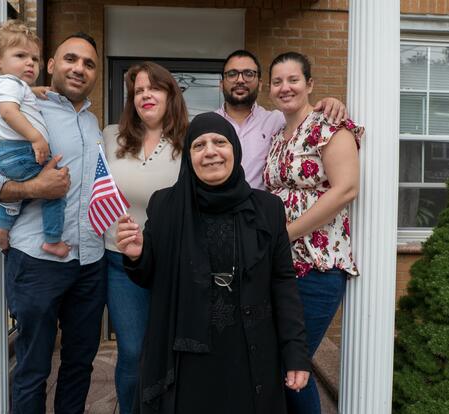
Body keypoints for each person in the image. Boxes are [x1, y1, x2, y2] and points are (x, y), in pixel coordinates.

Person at [115, 112, 311, 414]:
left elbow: (282, 282)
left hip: (249, 353)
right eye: (199, 145)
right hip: (186, 358)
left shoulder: (268, 208)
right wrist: (137, 255)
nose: (210, 151)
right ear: (188, 157)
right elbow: (149, 276)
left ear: (234, 148)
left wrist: (295, 354)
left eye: (219, 142)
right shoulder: (165, 205)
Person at [0, 32, 106, 414]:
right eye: (70, 59)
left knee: (80, 364)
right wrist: (36, 186)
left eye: (88, 63)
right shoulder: (25, 107)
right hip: (36, 261)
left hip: (90, 262)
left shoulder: (94, 122)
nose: (78, 68)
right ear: (51, 65)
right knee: (33, 368)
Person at [263, 52, 364, 414]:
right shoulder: (277, 136)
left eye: (293, 80)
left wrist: (284, 234)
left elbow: (345, 189)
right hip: (279, 266)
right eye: (277, 81)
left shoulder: (330, 127)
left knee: (293, 364)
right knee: (279, 360)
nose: (285, 87)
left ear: (310, 84)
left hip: (317, 267)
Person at [102, 62, 188, 414]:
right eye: (138, 90)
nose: (146, 95)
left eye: (155, 88)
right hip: (121, 261)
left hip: (174, 262)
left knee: (173, 349)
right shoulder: (109, 135)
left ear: (170, 95)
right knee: (134, 351)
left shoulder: (192, 138)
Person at [0, 20, 69, 258]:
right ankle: (52, 239)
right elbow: (9, 112)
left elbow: (15, 96)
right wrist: (37, 138)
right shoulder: (9, 84)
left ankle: (0, 229)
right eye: (20, 55)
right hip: (21, 151)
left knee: (16, 199)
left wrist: (34, 90)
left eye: (34, 58)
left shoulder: (12, 85)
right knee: (54, 189)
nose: (30, 62)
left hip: (10, 154)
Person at [216, 49, 349, 190]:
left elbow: (306, 114)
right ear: (221, 84)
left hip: (259, 210)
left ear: (261, 84)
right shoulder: (206, 126)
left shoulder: (278, 121)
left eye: (249, 74)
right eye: (232, 74)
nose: (240, 80)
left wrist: (331, 102)